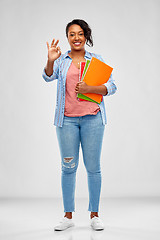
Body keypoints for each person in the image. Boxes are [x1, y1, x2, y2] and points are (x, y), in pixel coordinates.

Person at [42, 19, 117, 231]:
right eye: (72, 34)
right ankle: (67, 216)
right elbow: (48, 77)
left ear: (86, 36)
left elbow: (112, 86)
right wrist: (50, 60)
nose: (76, 38)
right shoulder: (61, 60)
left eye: (80, 34)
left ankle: (95, 214)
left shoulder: (96, 60)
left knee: (93, 168)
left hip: (93, 119)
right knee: (68, 168)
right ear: (67, 37)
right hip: (66, 121)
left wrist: (90, 87)